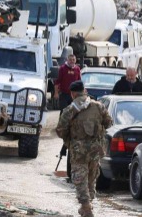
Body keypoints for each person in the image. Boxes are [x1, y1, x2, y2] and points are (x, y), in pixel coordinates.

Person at [56, 81, 112, 217]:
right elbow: (109, 123)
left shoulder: (70, 110)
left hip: (78, 151)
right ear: (85, 90)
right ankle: (88, 204)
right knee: (92, 177)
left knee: (80, 178)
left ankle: (86, 206)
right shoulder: (99, 106)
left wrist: (71, 138)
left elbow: (60, 131)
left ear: (72, 94)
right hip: (95, 150)